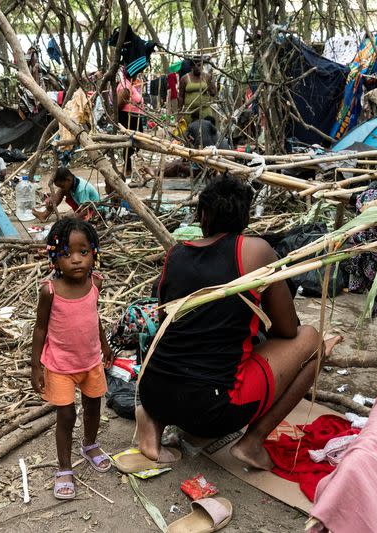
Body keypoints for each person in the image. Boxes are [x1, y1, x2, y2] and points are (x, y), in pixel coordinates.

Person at [134, 173, 342, 471]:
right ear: (244, 218)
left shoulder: (176, 254)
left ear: (203, 216)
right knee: (312, 339)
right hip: (212, 410)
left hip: (153, 389)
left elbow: (167, 320)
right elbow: (287, 330)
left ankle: (153, 419)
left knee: (195, 354)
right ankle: (253, 442)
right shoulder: (256, 251)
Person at [31, 218, 115, 499]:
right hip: (60, 366)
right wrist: (36, 367)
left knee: (94, 407)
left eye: (83, 252)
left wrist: (104, 346)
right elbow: (40, 328)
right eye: (66, 254)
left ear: (94, 253)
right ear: (54, 257)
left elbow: (94, 318)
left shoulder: (95, 284)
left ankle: (89, 444)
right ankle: (64, 468)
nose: (76, 260)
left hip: (90, 361)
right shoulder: (49, 291)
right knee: (66, 415)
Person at [33, 167, 102, 222]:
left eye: (62, 185)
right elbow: (61, 190)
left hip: (94, 211)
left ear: (68, 180)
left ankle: (46, 215)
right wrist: (51, 202)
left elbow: (85, 211)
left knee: (70, 222)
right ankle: (45, 215)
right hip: (82, 207)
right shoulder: (74, 180)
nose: (61, 188)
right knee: (61, 191)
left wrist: (71, 219)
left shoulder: (82, 189)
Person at [116, 72, 145, 181]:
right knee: (130, 144)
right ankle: (128, 169)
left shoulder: (128, 83)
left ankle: (132, 168)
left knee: (135, 144)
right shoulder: (125, 86)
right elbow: (119, 104)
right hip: (128, 118)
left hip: (133, 117)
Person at [178, 57, 217, 122]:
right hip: (190, 111)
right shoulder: (184, 78)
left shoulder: (207, 77)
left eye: (201, 65)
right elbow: (181, 96)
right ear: (192, 67)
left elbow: (213, 94)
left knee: (206, 129)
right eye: (198, 65)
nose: (200, 67)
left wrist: (210, 86)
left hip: (204, 110)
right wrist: (179, 111)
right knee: (191, 129)